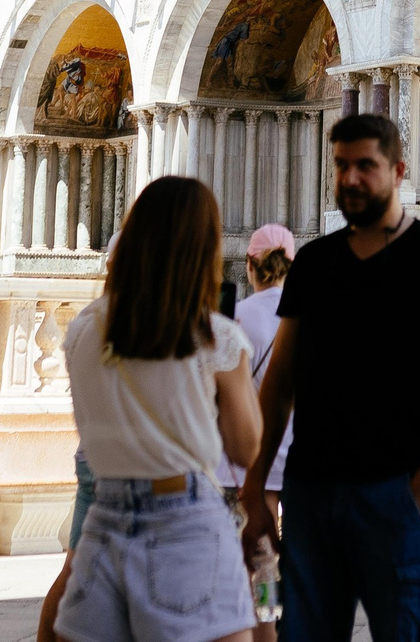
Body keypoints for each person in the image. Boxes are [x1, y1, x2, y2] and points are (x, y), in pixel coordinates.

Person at [242, 114, 420, 642]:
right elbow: (281, 377)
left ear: (399, 170)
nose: (350, 178)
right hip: (312, 494)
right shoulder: (312, 263)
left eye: (365, 166)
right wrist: (256, 483)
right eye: (341, 166)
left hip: (395, 493)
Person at [44, 176, 260, 642]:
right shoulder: (215, 337)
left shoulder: (81, 331)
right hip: (183, 519)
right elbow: (245, 448)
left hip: (104, 517)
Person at [231, 226, 296, 642]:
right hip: (305, 451)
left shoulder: (238, 317)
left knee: (259, 556)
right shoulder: (312, 316)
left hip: (259, 452)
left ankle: (266, 627)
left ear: (251, 265)